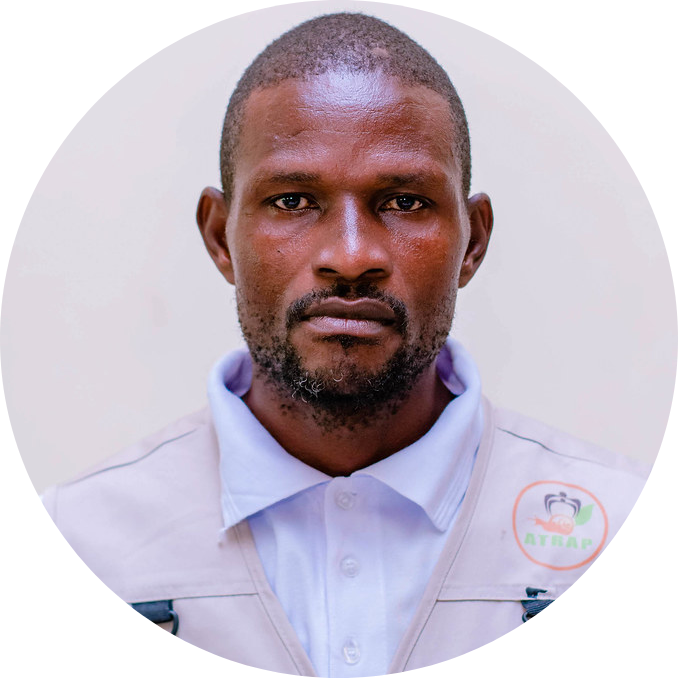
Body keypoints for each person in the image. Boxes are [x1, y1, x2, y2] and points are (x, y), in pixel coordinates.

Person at [40, 12, 650, 676]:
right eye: (292, 201)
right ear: (220, 237)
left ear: (472, 241)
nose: (351, 256)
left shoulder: (613, 517)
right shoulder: (87, 540)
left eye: (405, 202)